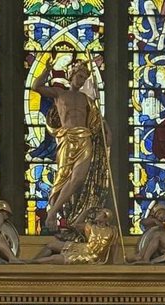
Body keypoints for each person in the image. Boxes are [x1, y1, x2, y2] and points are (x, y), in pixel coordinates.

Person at [32, 59, 107, 232]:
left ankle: (54, 212)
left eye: (84, 78)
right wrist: (46, 70)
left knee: (78, 178)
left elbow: (97, 122)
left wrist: (106, 131)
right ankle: (54, 214)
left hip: (84, 138)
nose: (80, 80)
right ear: (71, 75)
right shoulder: (59, 94)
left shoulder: (86, 99)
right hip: (67, 138)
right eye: (79, 76)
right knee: (62, 176)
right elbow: (37, 87)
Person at [31, 206, 117, 265]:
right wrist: (86, 211)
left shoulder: (112, 231)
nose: (97, 214)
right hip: (83, 247)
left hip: (89, 257)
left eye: (99, 213)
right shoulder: (91, 227)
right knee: (51, 245)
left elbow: (113, 247)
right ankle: (30, 262)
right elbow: (76, 224)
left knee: (53, 258)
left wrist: (111, 263)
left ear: (105, 218)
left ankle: (28, 263)